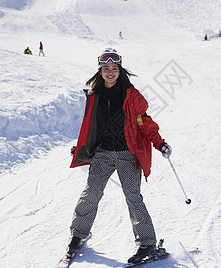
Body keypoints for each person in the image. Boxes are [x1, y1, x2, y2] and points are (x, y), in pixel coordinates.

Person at [66, 48, 172, 264]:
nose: (110, 72)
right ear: (100, 71)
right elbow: (90, 126)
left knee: (133, 196)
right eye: (106, 69)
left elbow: (145, 122)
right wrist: (81, 147)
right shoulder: (95, 96)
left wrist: (159, 143)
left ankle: (147, 243)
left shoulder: (131, 96)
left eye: (114, 68)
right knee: (91, 193)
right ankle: (78, 234)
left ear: (120, 71)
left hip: (127, 154)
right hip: (102, 153)